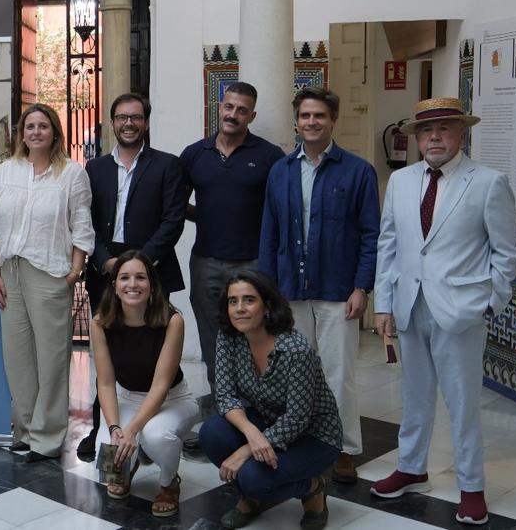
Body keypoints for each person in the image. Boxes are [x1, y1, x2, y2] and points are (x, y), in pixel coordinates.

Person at [370, 98, 516, 526]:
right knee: (414, 397)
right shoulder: (399, 181)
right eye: (426, 131)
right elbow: (389, 245)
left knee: (462, 402)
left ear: (461, 134)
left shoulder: (488, 182)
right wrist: (384, 303)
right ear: (416, 138)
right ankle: (412, 466)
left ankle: (471, 486)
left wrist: (491, 302)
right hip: (410, 306)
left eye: (445, 129)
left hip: (461, 311)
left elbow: (506, 253)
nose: (434, 138)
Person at [258, 86, 378, 484]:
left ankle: (343, 449)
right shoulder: (282, 170)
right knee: (294, 372)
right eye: (306, 116)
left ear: (333, 121)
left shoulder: (358, 171)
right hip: (289, 290)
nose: (312, 122)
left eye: (319, 116)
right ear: (297, 121)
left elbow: (370, 235)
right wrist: (266, 290)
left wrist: (362, 287)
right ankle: (303, 440)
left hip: (337, 290)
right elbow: (269, 233)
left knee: (337, 373)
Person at [0, 103, 94, 461]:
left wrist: (74, 274)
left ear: (55, 132)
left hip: (50, 274)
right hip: (9, 272)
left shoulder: (72, 174)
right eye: (30, 126)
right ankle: (25, 430)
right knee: (17, 358)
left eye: (43, 126)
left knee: (53, 359)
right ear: (22, 133)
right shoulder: (7, 171)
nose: (36, 132)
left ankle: (47, 437)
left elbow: (81, 226)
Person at [78, 92, 186, 456]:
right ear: (112, 123)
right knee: (104, 351)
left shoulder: (167, 166)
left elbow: (173, 220)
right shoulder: (94, 169)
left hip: (150, 270)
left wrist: (140, 264)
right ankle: (102, 429)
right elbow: (85, 221)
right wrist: (107, 262)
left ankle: (146, 428)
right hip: (105, 268)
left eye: (136, 117)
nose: (128, 123)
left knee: (150, 349)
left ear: (146, 122)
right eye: (122, 117)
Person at [199, 271, 341, 530]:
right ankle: (251, 499)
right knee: (211, 433)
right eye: (233, 301)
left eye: (249, 300)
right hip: (266, 422)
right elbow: (225, 395)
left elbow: (298, 418)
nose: (239, 309)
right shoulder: (229, 337)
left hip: (313, 435)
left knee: (254, 477)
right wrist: (251, 432)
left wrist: (246, 450)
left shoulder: (296, 350)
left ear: (266, 306)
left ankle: (313, 487)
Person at [180, 81, 285, 391]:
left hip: (253, 263)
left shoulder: (270, 156)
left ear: (251, 116)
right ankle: (220, 411)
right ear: (219, 108)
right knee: (213, 340)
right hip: (206, 262)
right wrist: (206, 216)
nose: (233, 114)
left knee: (255, 336)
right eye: (229, 107)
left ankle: (256, 411)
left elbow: (280, 209)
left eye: (242, 110)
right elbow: (175, 203)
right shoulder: (195, 154)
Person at [91, 250, 200, 518]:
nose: (132, 284)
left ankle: (168, 483)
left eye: (140, 277)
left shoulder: (172, 320)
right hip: (127, 397)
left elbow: (161, 386)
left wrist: (132, 431)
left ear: (151, 284)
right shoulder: (100, 322)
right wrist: (117, 428)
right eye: (125, 277)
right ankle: (130, 462)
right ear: (114, 285)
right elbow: (105, 384)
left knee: (155, 436)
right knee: (107, 460)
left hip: (172, 399)